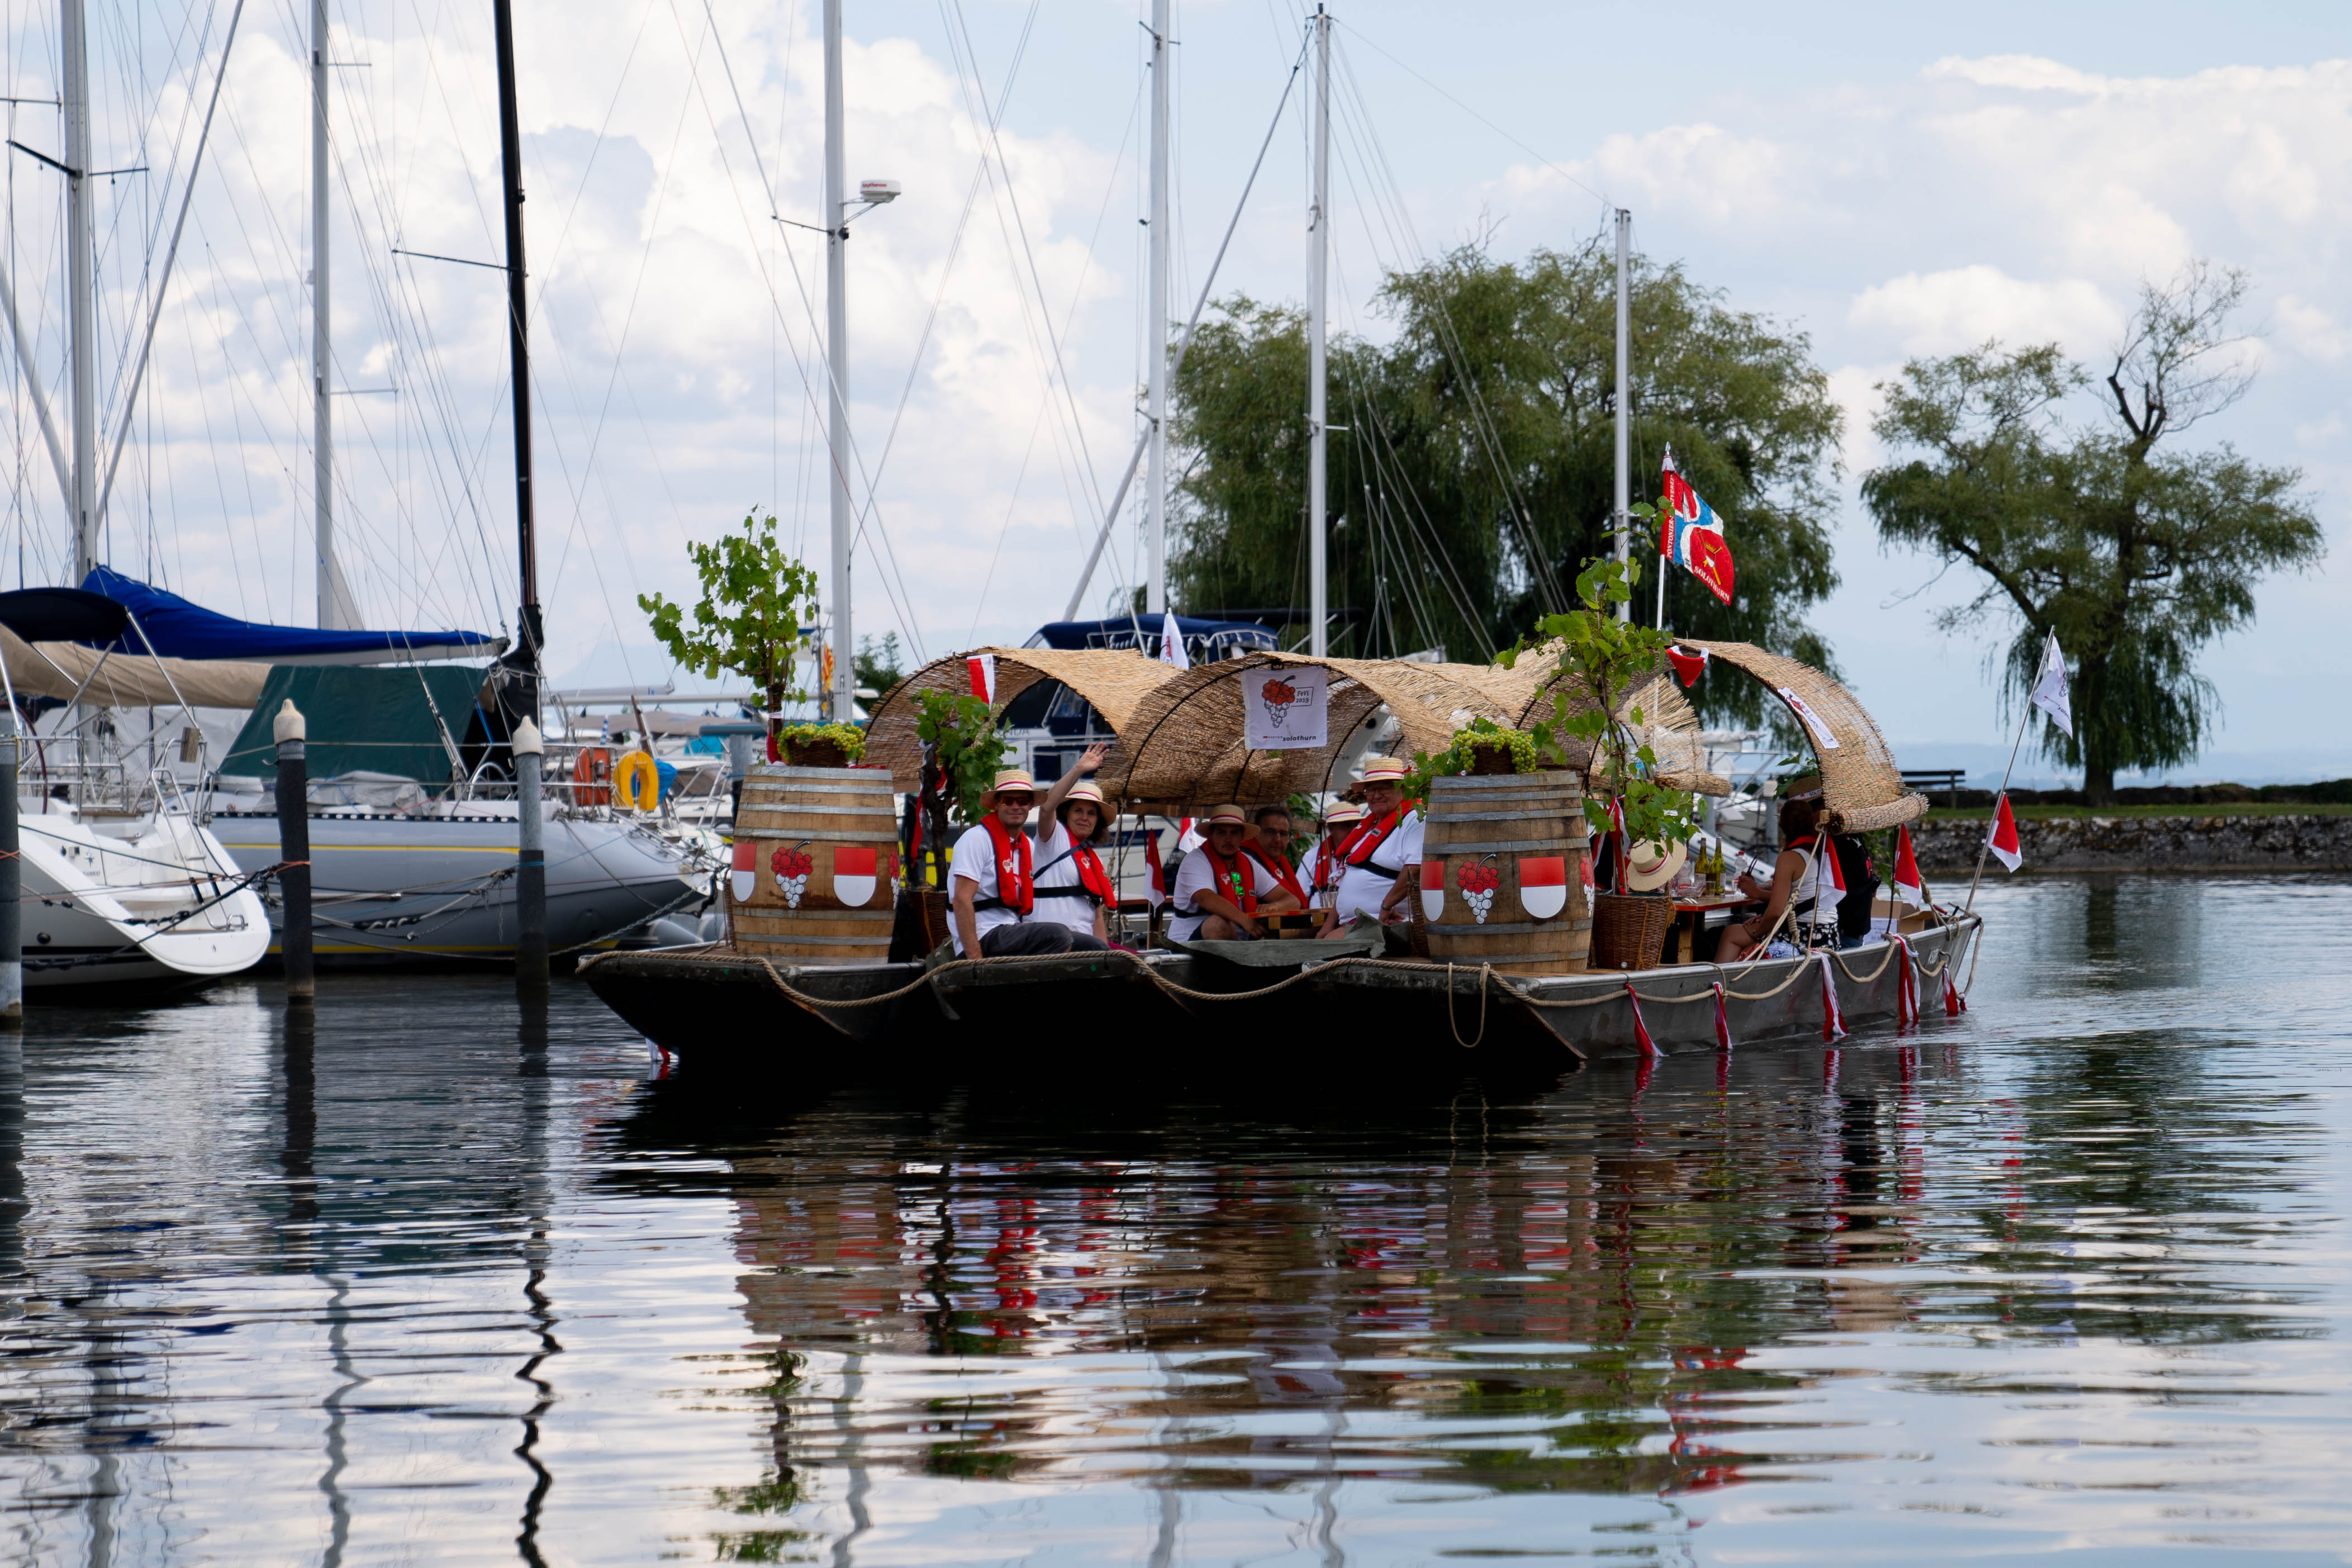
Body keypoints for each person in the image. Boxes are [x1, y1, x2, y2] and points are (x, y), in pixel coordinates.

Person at [949, 768, 1091, 957]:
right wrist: (975, 963)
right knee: (1059, 936)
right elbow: (961, 900)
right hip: (983, 936)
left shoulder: (1028, 847)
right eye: (1008, 800)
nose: (1015, 806)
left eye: (1022, 801)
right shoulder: (976, 839)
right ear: (997, 805)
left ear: (1031, 805)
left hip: (1012, 931)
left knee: (1094, 946)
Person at [1714, 778, 1856, 962]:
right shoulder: (1821, 850)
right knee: (1741, 933)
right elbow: (1796, 900)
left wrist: (1758, 930)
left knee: (1731, 934)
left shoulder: (1790, 857)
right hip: (1828, 934)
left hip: (1804, 936)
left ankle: (1718, 984)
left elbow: (1776, 912)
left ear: (1784, 827)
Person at [1318, 757, 1422, 937]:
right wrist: (1327, 926)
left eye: (1384, 788)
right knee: (1321, 942)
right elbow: (1350, 877)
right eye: (1371, 790)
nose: (1376, 795)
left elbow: (1416, 867)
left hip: (1389, 922)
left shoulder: (1415, 820)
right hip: (1357, 923)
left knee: (1325, 946)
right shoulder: (1368, 829)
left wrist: (1387, 905)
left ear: (1402, 789)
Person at [1168, 804, 1302, 940]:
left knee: (1301, 930)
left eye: (1234, 833)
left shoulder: (1248, 863)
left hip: (1239, 941)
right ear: (1211, 835)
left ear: (1242, 837)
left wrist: (1272, 908)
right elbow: (1206, 898)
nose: (1228, 839)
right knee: (1217, 924)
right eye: (1222, 832)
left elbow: (1292, 901)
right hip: (1188, 941)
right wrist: (1244, 920)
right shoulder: (1195, 860)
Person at [1029, 744, 1116, 948]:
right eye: (1078, 811)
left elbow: (1097, 917)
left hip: (1084, 944)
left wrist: (1105, 957)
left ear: (1098, 822)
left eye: (1091, 813)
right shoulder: (1053, 839)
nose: (1084, 818)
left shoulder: (1094, 861)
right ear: (1066, 814)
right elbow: (1047, 807)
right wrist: (1079, 769)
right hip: (1051, 941)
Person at [1239, 803, 1310, 911]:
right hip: (1260, 926)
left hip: (1292, 924)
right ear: (1256, 833)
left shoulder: (1281, 862)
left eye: (1283, 834)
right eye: (1270, 832)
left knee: (1338, 924)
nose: (1278, 840)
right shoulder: (1246, 860)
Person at [1299, 800, 1363, 909]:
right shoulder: (1311, 857)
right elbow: (1301, 897)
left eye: (1357, 826)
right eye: (1346, 826)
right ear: (1331, 829)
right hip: (1318, 922)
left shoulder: (1367, 855)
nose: (1353, 831)